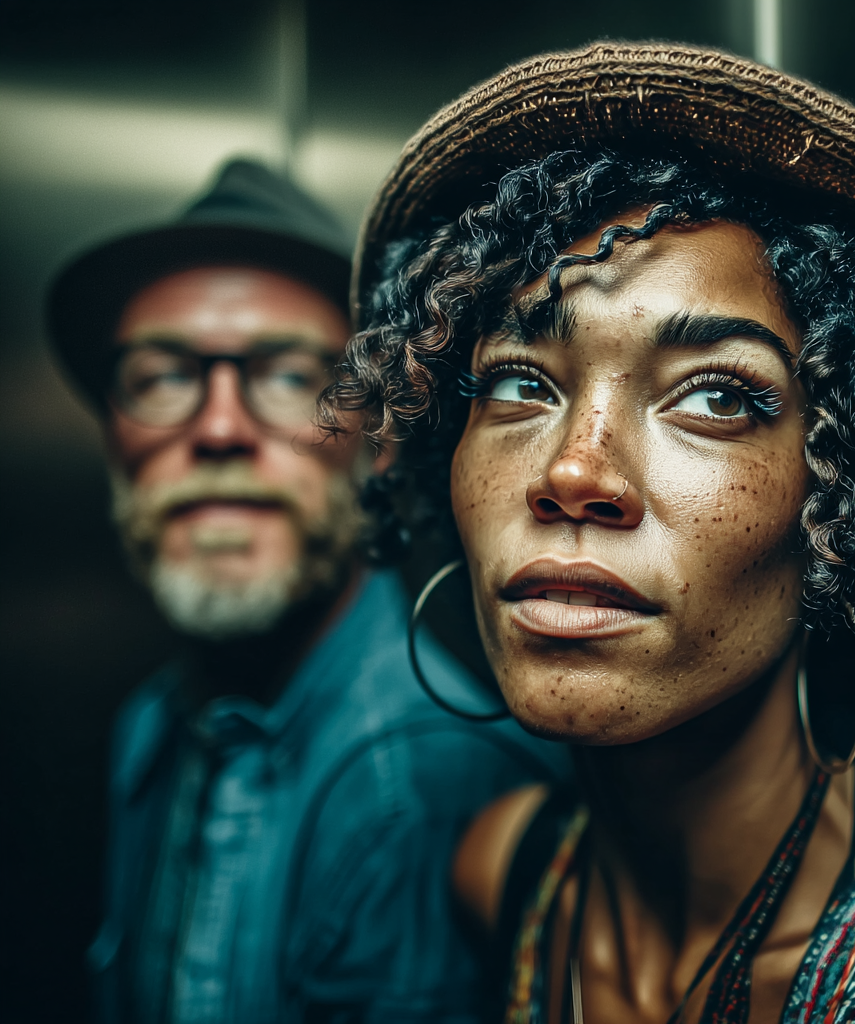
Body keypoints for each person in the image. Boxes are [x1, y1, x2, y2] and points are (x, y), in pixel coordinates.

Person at [321, 45, 855, 1023]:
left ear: (841, 505)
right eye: (521, 383)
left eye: (717, 397)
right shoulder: (501, 876)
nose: (574, 471)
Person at [46, 158, 566, 1024]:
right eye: (162, 376)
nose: (218, 429)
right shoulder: (152, 728)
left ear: (380, 439)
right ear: (112, 438)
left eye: (290, 375)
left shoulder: (422, 786)